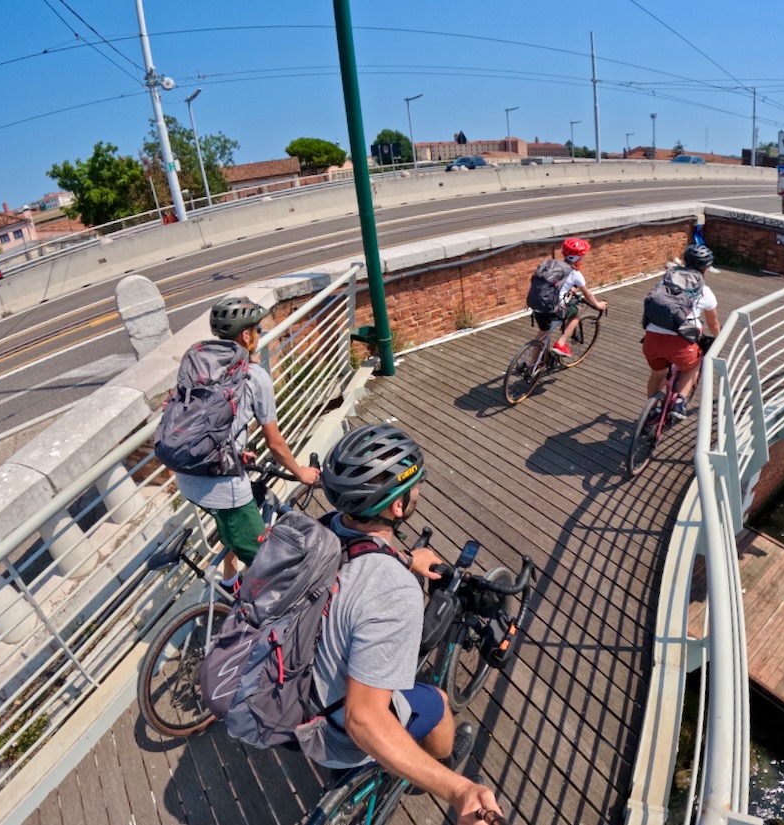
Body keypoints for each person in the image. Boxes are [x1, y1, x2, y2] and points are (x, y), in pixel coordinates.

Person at [310, 424, 503, 825]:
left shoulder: (323, 528)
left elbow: (359, 557)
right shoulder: (395, 591)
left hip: (298, 690)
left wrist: (403, 558)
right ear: (398, 507)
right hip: (337, 724)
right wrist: (459, 788)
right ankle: (436, 761)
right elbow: (363, 718)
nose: (416, 491)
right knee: (438, 701)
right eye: (413, 486)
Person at [172, 296, 319, 588]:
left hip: (187, 476)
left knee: (231, 529)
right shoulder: (253, 375)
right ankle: (263, 615)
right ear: (246, 335)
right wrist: (301, 472)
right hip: (219, 486)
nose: (260, 335)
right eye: (258, 330)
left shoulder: (199, 364)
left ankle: (228, 582)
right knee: (270, 566)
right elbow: (275, 442)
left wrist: (236, 453)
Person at [641, 244, 722, 419]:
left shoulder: (665, 281)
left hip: (652, 339)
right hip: (681, 344)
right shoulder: (705, 292)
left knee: (657, 374)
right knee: (693, 365)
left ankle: (652, 410)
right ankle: (679, 402)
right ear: (706, 268)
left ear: (685, 261)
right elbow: (713, 323)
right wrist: (720, 337)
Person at [547, 237, 609, 357]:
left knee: (542, 335)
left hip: (541, 303)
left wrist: (570, 288)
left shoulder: (553, 265)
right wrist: (598, 305)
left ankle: (533, 365)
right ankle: (561, 343)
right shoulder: (575, 274)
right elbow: (588, 295)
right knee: (577, 312)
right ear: (579, 257)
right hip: (556, 307)